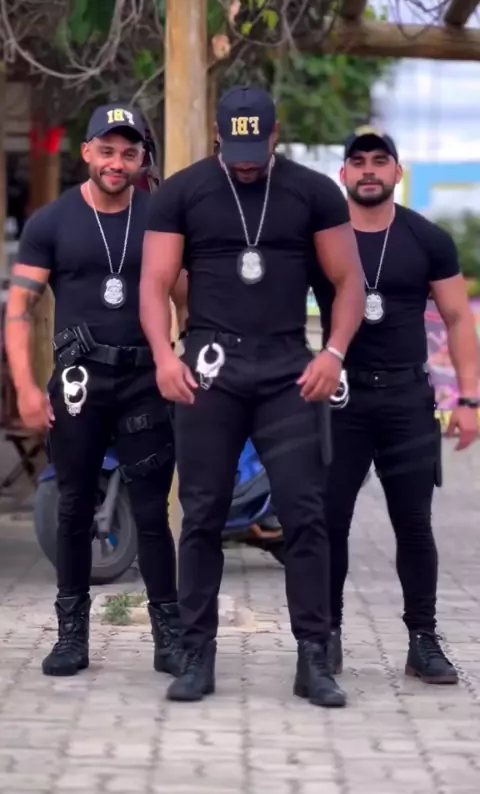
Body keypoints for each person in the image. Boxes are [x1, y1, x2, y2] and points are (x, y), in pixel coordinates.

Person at [140, 85, 366, 707]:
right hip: (210, 368)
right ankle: (196, 655)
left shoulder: (312, 192)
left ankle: (314, 657)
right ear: (217, 135)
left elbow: (348, 280)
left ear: (275, 134)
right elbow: (154, 282)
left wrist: (333, 353)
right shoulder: (183, 192)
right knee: (201, 514)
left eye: (256, 149)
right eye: (234, 150)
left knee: (305, 513)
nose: (245, 163)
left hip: (288, 368)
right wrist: (164, 357)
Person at [5, 103, 187, 679]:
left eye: (129, 153)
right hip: (78, 385)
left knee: (152, 511)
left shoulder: (160, 216)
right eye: (106, 151)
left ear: (140, 159)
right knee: (74, 508)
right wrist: (27, 388)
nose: (117, 162)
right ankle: (71, 637)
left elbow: (186, 295)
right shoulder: (52, 222)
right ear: (86, 152)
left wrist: (186, 360)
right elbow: (19, 309)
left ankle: (169, 637)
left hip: (143, 383)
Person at [311, 125, 479, 685]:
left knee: (413, 523)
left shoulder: (427, 238)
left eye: (379, 161)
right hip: (342, 399)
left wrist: (469, 398)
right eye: (358, 161)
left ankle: (422, 642)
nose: (368, 170)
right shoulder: (322, 239)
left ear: (396, 172)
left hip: (408, 399)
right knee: (329, 521)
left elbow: (457, 318)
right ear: (343, 173)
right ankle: (326, 636)